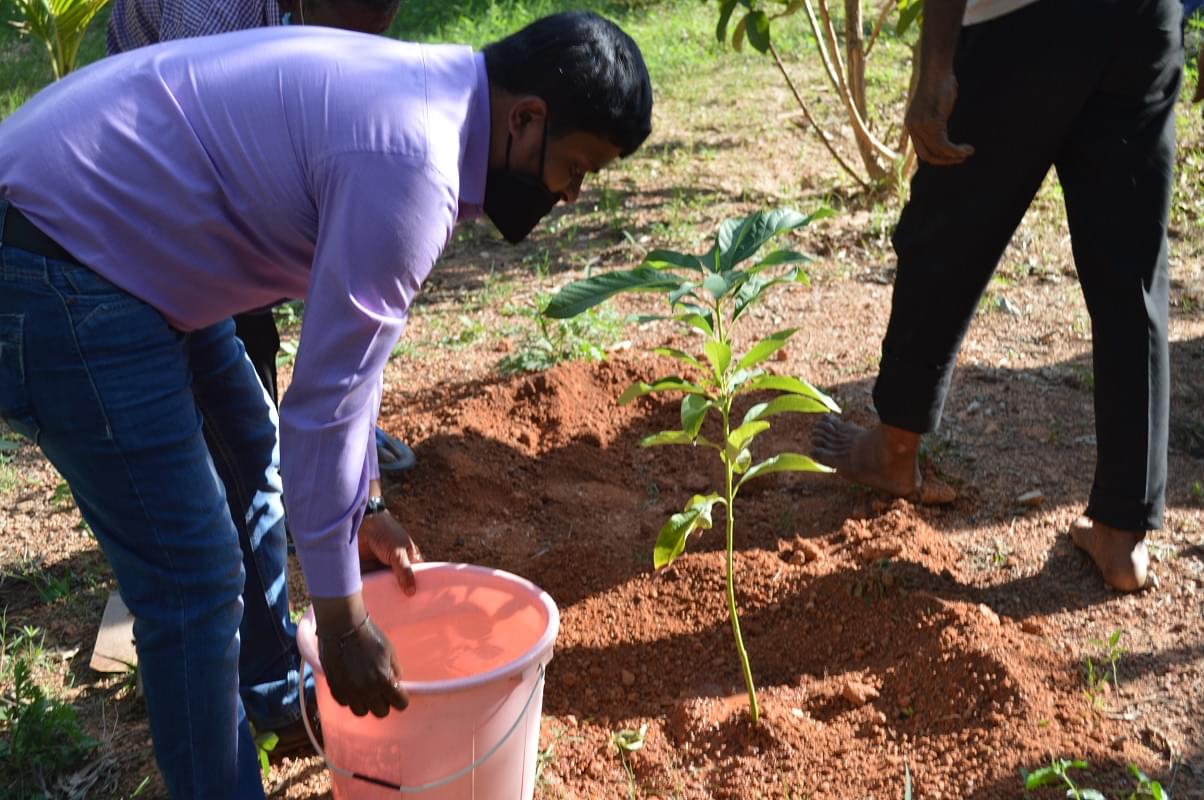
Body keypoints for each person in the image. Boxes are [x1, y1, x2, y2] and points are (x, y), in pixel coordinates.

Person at [0, 11, 653, 797]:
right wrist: (343, 624)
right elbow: (325, 404)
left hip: (124, 239)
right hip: (59, 255)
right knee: (193, 580)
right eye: (576, 167)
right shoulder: (414, 164)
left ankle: (276, 692)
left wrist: (362, 506)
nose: (573, 195)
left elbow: (352, 354)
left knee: (249, 448)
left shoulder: (432, 98)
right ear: (526, 119)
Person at [811, 0, 1183, 593]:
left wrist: (934, 67)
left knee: (944, 229)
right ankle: (1122, 532)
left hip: (1025, 21)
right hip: (1143, 21)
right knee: (1131, 270)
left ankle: (894, 449)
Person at [108, 0, 419, 480]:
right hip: (151, 128)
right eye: (342, 32)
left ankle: (300, 439)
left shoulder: (330, 30)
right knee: (227, 317)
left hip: (243, 94)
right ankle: (257, 457)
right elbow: (205, 157)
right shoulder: (206, 17)